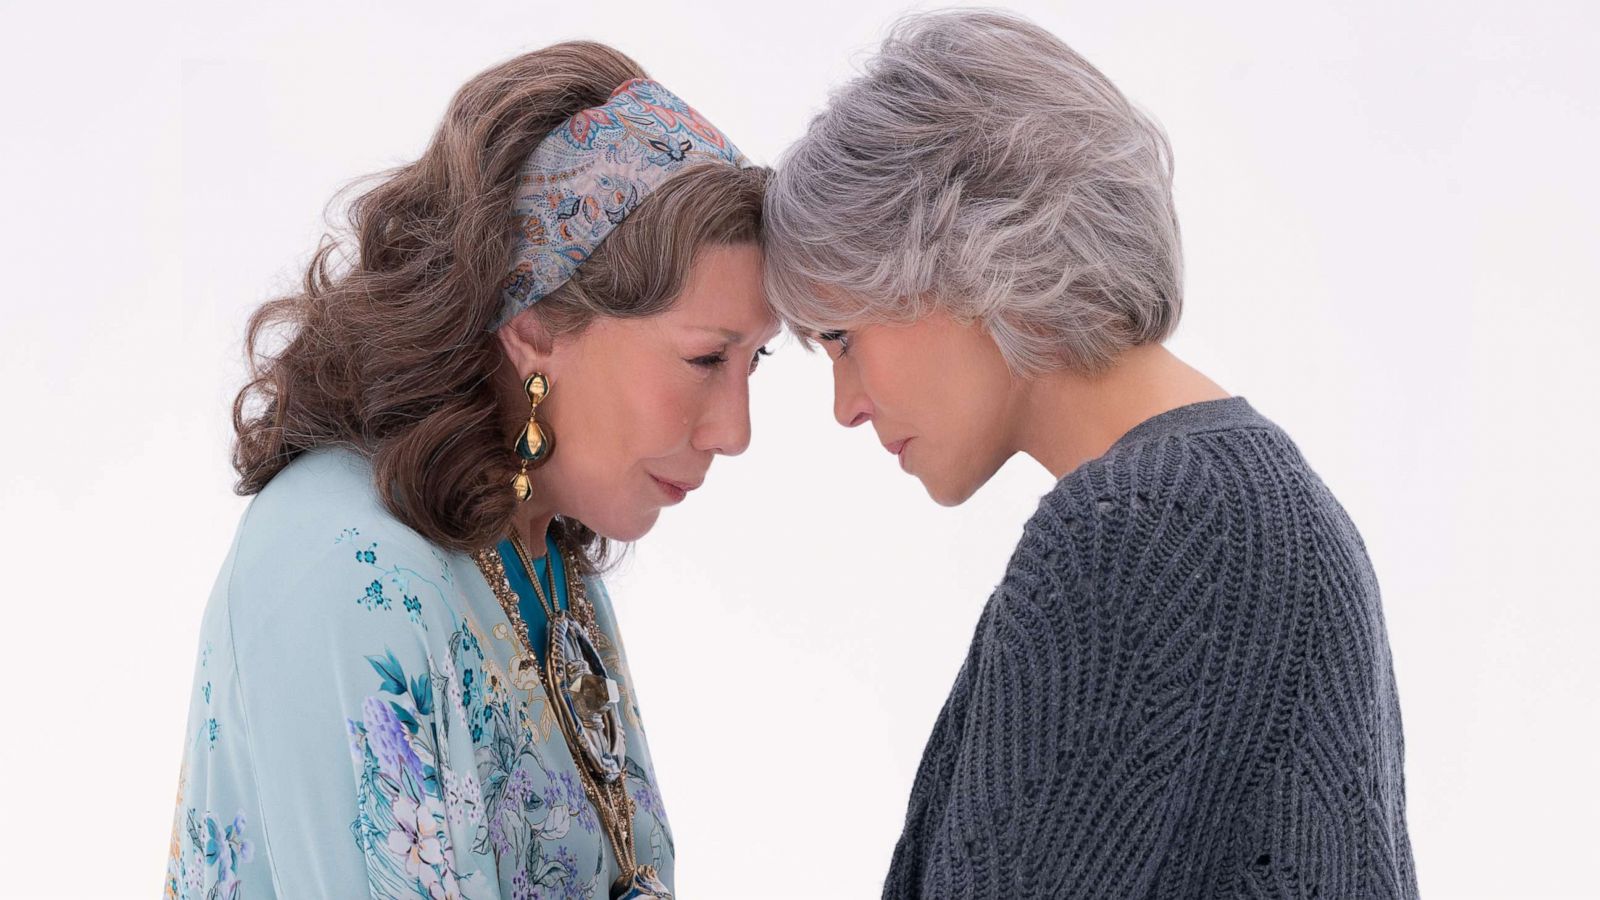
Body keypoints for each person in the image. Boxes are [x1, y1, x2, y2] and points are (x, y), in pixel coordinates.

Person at [762, 10, 1419, 898]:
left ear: (969, 251)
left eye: (841, 337)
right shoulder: (1271, 500)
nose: (845, 405)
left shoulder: (1138, 531)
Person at [165, 41, 778, 900]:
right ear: (536, 324)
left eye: (759, 362)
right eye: (708, 358)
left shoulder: (536, 551)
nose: (736, 431)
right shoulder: (346, 573)